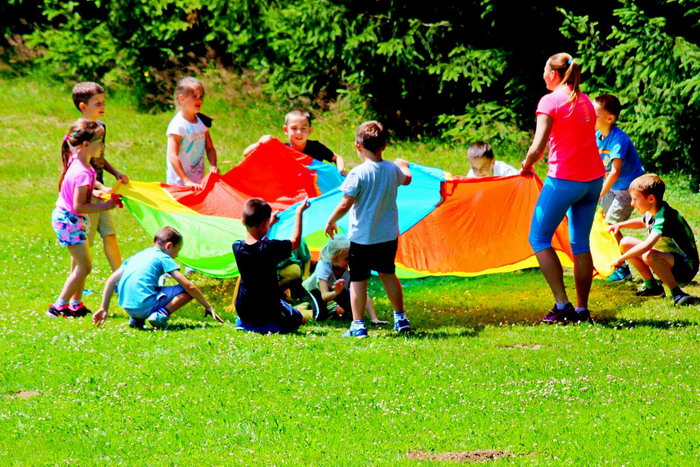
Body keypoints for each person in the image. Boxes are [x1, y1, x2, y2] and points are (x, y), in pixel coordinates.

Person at [520, 52, 606, 325]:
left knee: (539, 238)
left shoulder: (550, 100)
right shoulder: (585, 101)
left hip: (565, 180)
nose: (543, 76)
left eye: (545, 71)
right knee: (580, 243)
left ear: (553, 74)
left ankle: (562, 305)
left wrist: (526, 165)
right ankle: (582, 310)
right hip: (593, 180)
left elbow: (538, 146)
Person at [325, 121, 412, 338]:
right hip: (387, 237)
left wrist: (331, 220)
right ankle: (400, 318)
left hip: (362, 239)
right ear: (384, 146)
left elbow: (345, 204)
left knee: (358, 280)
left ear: (358, 146)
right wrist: (404, 165)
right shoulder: (392, 169)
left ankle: (358, 325)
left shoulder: (358, 173)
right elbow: (407, 179)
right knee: (388, 274)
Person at [48, 119, 120, 318]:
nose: (102, 146)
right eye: (100, 141)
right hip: (69, 221)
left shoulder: (80, 163)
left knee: (83, 265)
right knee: (85, 266)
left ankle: (75, 305)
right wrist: (106, 205)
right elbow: (78, 205)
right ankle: (58, 307)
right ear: (86, 144)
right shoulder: (82, 172)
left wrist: (99, 194)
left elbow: (81, 194)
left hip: (73, 220)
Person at [93, 226, 224, 328]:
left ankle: (136, 320)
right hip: (144, 307)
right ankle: (160, 315)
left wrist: (103, 308)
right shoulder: (163, 257)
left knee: (153, 288)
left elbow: (111, 281)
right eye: (177, 251)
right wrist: (208, 306)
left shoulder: (138, 255)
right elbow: (189, 286)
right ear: (169, 246)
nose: (177, 256)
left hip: (128, 307)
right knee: (188, 290)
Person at [610, 174, 698, 306]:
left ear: (651, 198)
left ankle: (677, 293)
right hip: (671, 259)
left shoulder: (665, 217)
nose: (632, 203)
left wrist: (620, 259)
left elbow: (647, 246)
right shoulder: (654, 210)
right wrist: (620, 225)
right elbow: (642, 222)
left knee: (650, 255)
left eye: (635, 199)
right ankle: (652, 287)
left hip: (686, 267)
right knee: (625, 243)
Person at [72, 82, 129, 272]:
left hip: (100, 192)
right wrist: (98, 187)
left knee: (109, 234)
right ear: (83, 106)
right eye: (97, 103)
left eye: (103, 102)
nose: (103, 106)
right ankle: (76, 281)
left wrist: (116, 173)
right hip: (86, 193)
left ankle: (120, 278)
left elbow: (98, 158)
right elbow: (79, 167)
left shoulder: (101, 127)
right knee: (83, 242)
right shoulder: (78, 132)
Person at [233, 197, 310, 334]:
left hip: (245, 308)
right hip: (268, 309)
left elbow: (257, 244)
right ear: (264, 224)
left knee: (259, 319)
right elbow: (295, 241)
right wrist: (299, 212)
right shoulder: (271, 248)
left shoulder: (237, 247)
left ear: (243, 221)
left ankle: (244, 322)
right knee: (300, 319)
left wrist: (270, 224)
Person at [593, 94, 645, 282]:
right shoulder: (597, 137)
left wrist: (598, 193)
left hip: (627, 190)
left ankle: (622, 268)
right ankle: (617, 263)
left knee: (610, 225)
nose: (590, 118)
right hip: (611, 188)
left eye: (595, 115)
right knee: (606, 224)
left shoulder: (619, 139)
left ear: (610, 118)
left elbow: (615, 172)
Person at [302, 234, 388, 324]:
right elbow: (324, 296)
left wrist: (374, 318)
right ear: (334, 259)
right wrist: (336, 292)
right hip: (316, 290)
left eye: (352, 256)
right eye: (347, 258)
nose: (351, 261)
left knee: (355, 312)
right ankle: (302, 310)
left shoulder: (352, 266)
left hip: (337, 290)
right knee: (320, 316)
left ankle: (335, 309)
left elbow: (362, 293)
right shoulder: (323, 266)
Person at [243, 109, 347, 176]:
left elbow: (337, 158)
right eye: (294, 128)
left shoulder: (316, 147)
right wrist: (260, 143)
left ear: (310, 130)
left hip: (316, 189)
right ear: (285, 130)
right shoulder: (282, 150)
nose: (299, 132)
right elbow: (247, 154)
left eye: (303, 128)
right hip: (293, 193)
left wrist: (341, 169)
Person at [166, 76, 218, 189]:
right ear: (181, 98)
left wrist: (213, 165)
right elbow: (173, 156)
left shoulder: (201, 122)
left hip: (197, 180)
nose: (199, 100)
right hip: (179, 183)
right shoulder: (178, 125)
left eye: (201, 96)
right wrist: (186, 180)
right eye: (195, 96)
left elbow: (209, 147)